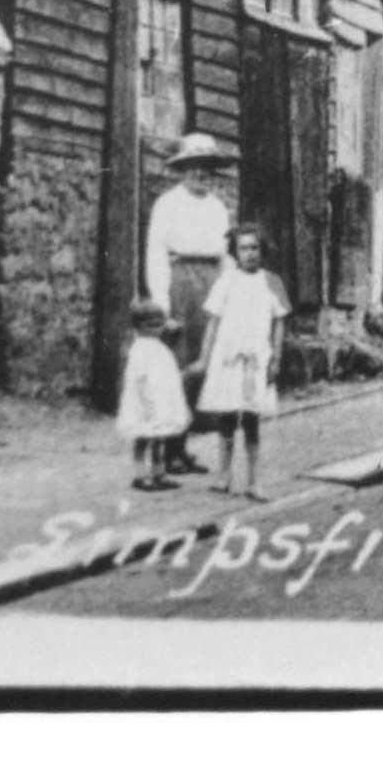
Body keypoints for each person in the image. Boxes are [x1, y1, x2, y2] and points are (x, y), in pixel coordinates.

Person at [145, 133, 236, 472]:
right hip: (180, 286)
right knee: (177, 369)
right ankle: (167, 450)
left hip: (210, 286)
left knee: (204, 367)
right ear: (182, 170)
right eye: (193, 168)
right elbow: (156, 255)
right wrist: (161, 306)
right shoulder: (167, 204)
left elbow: (226, 256)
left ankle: (183, 448)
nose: (200, 175)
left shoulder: (217, 208)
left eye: (206, 168)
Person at [197, 224, 289, 500]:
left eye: (254, 248)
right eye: (244, 248)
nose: (250, 254)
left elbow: (279, 323)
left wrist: (276, 358)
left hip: (256, 361)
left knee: (251, 420)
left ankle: (254, 481)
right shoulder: (226, 280)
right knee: (226, 416)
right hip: (228, 359)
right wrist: (204, 357)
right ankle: (224, 476)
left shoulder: (272, 282)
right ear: (235, 252)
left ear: (262, 250)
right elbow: (213, 323)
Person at [115, 299, 191, 491]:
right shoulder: (140, 348)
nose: (156, 330)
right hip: (145, 402)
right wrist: (146, 402)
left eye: (159, 325)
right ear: (139, 327)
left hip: (159, 402)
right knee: (143, 438)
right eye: (150, 326)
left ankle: (159, 473)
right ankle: (140, 475)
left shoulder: (159, 347)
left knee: (159, 438)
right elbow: (140, 378)